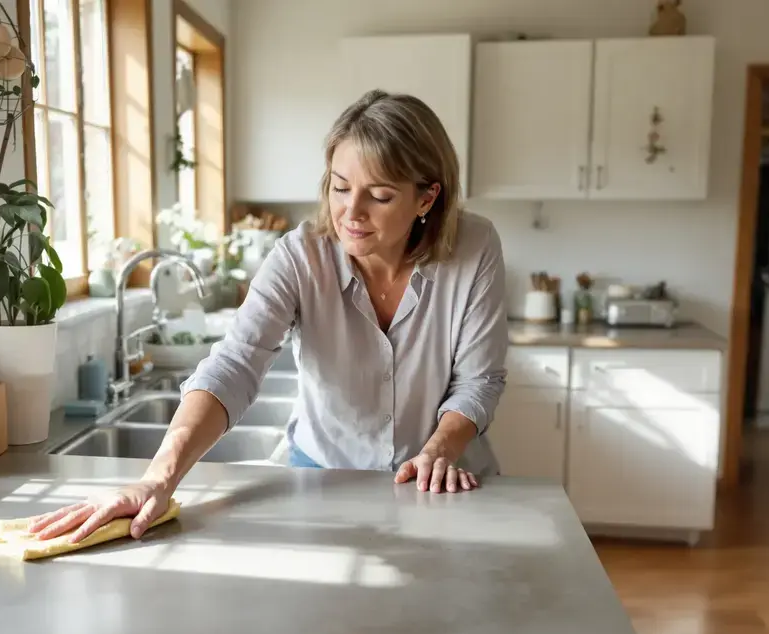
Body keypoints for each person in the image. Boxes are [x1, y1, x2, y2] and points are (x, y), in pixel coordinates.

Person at [29, 89, 509, 544]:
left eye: (379, 196)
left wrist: (438, 450)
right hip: (324, 479)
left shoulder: (475, 247)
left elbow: (478, 380)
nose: (351, 212)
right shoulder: (299, 257)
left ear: (426, 198)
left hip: (439, 481)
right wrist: (158, 477)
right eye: (340, 187)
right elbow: (235, 363)